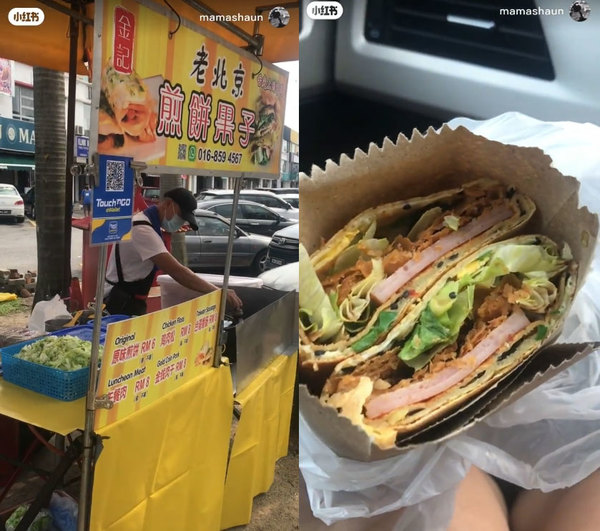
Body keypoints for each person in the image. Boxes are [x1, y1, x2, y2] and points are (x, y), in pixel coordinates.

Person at [104, 187, 243, 316]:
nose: (181, 223)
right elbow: (177, 271)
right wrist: (219, 293)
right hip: (119, 300)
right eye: (180, 217)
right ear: (168, 203)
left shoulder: (149, 224)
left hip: (131, 298)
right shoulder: (142, 230)